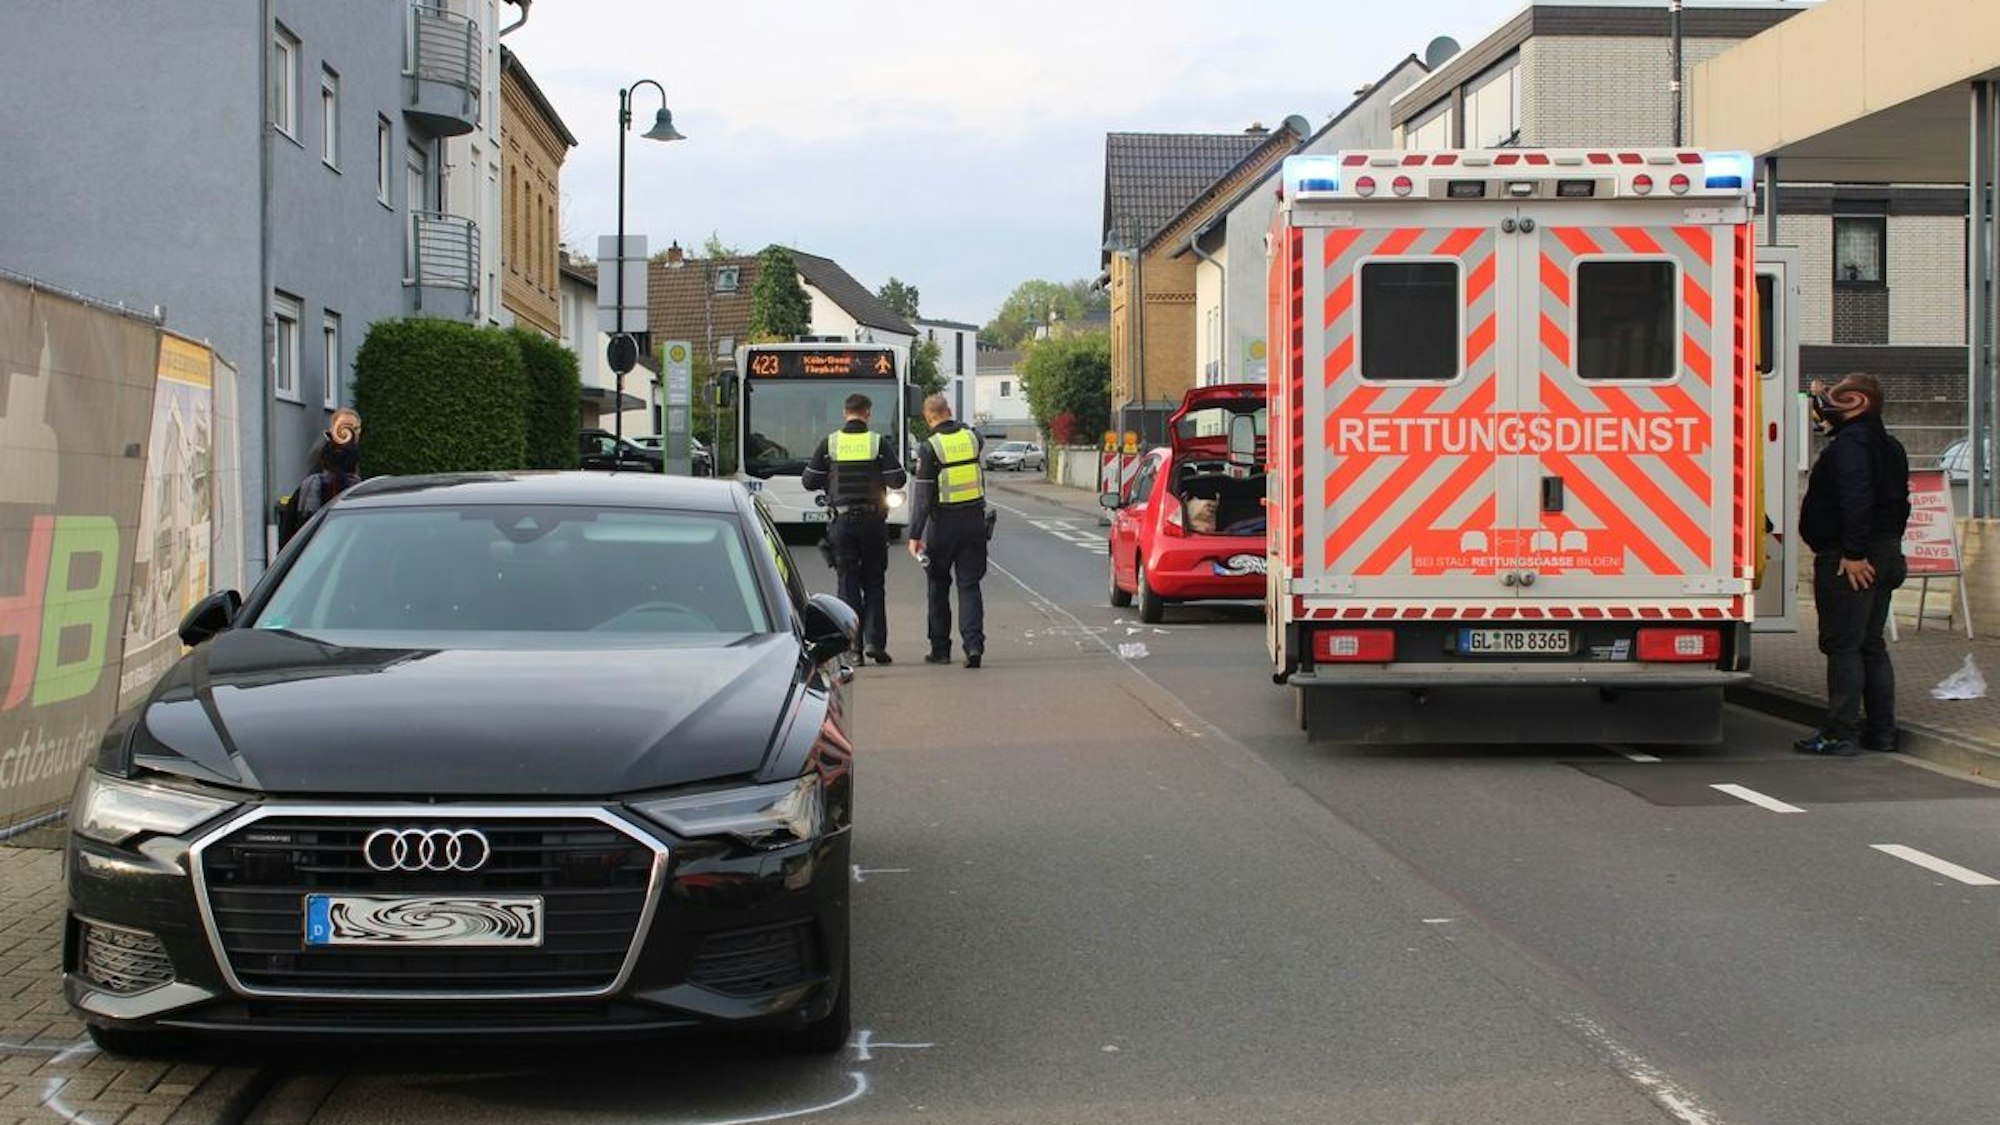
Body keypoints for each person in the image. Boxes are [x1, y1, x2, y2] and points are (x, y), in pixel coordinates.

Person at [1794, 374, 1911, 756]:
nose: (1825, 406)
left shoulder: (1851, 445)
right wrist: (1885, 547)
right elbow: (1900, 503)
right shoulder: (1890, 446)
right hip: (1885, 550)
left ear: (1857, 402)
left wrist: (1855, 552)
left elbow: (1856, 497)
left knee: (1844, 645)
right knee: (1870, 644)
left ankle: (1839, 733)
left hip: (1851, 558)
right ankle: (1881, 732)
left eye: (1835, 397)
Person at [801, 394, 907, 665]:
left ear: (844, 412)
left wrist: (831, 478)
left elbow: (809, 481)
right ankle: (875, 642)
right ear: (868, 413)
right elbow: (898, 479)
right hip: (873, 522)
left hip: (842, 522)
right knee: (874, 582)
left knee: (847, 583)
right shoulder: (877, 443)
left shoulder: (830, 443)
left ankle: (853, 649)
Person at [907, 394, 988, 669]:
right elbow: (970, 430)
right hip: (974, 521)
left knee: (938, 586)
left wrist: (914, 535)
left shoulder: (929, 447)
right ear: (949, 410)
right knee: (970, 585)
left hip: (943, 524)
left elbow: (923, 496)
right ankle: (974, 646)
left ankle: (940, 649)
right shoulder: (973, 438)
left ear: (928, 418)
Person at [281, 409, 362, 546]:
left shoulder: (353, 454)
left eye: (355, 428)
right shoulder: (322, 454)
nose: (352, 432)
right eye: (347, 427)